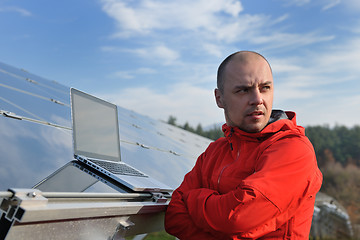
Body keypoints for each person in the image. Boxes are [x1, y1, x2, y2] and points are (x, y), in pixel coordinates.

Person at [164, 51, 323, 239]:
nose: (257, 99)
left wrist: (192, 199)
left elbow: (236, 217)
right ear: (219, 98)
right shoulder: (214, 152)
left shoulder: (293, 150)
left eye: (265, 88)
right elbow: (174, 217)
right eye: (243, 90)